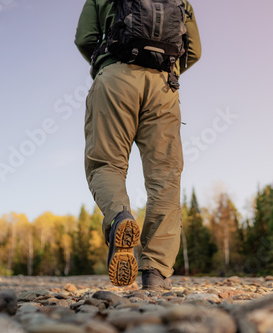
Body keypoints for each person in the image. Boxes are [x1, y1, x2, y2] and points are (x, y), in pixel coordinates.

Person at [74, 0, 201, 290]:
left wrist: (107, 59)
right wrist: (165, 67)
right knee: (165, 179)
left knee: (107, 164)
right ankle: (155, 273)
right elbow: (194, 51)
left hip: (115, 79)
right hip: (163, 86)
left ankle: (120, 217)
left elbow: (85, 38)